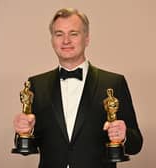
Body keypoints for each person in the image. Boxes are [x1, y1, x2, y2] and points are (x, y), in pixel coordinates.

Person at [13, 8, 143, 168]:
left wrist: (123, 136)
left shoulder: (113, 83)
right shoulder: (36, 84)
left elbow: (136, 145)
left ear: (87, 39)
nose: (66, 41)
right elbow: (27, 148)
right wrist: (25, 131)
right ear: (52, 40)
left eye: (73, 34)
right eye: (59, 34)